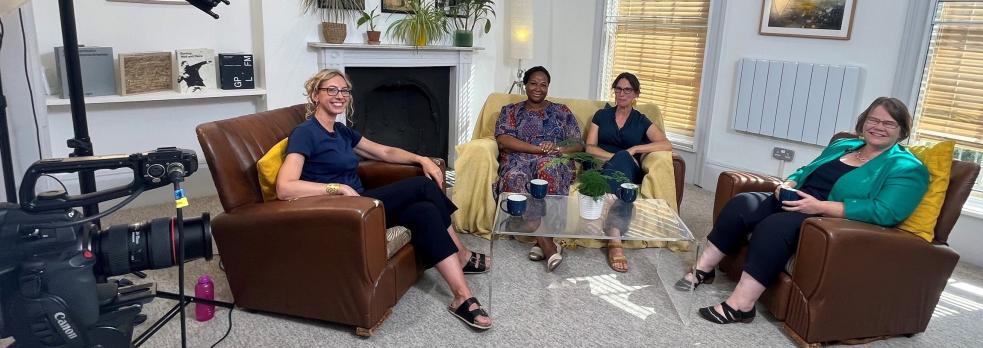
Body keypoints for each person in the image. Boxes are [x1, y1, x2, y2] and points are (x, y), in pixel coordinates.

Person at [677, 97, 929, 324]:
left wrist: (818, 206)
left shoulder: (906, 167)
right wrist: (788, 183)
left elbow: (885, 211)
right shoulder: (844, 145)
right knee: (741, 204)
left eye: (889, 123)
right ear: (863, 122)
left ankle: (742, 306)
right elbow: (806, 170)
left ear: (901, 131)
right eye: (873, 119)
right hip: (799, 199)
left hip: (827, 215)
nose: (878, 127)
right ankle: (703, 269)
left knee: (774, 227)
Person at [276, 69, 492, 330]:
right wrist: (338, 188)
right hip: (342, 211)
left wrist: (420, 158)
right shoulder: (305, 133)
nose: (340, 95)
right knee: (423, 186)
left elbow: (384, 151)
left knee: (424, 211)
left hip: (364, 205)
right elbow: (285, 187)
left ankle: (461, 296)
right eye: (331, 90)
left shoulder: (342, 131)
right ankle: (462, 254)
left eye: (344, 90)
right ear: (315, 95)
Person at [494, 66, 583, 272]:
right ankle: (549, 247)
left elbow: (578, 144)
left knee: (547, 170)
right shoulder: (511, 111)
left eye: (543, 84)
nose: (538, 88)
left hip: (553, 158)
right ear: (525, 85)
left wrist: (558, 149)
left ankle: (541, 242)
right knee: (515, 177)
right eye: (533, 83)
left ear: (548, 87)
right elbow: (503, 140)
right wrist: (537, 149)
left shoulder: (562, 111)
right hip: (519, 158)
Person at [585, 72, 672, 273]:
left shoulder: (641, 120)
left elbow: (666, 144)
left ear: (636, 94)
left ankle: (612, 235)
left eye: (627, 90)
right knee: (622, 160)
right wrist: (618, 156)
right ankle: (615, 238)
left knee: (624, 159)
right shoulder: (602, 115)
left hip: (627, 171)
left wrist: (634, 150)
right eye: (618, 89)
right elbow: (590, 147)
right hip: (600, 165)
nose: (621, 93)